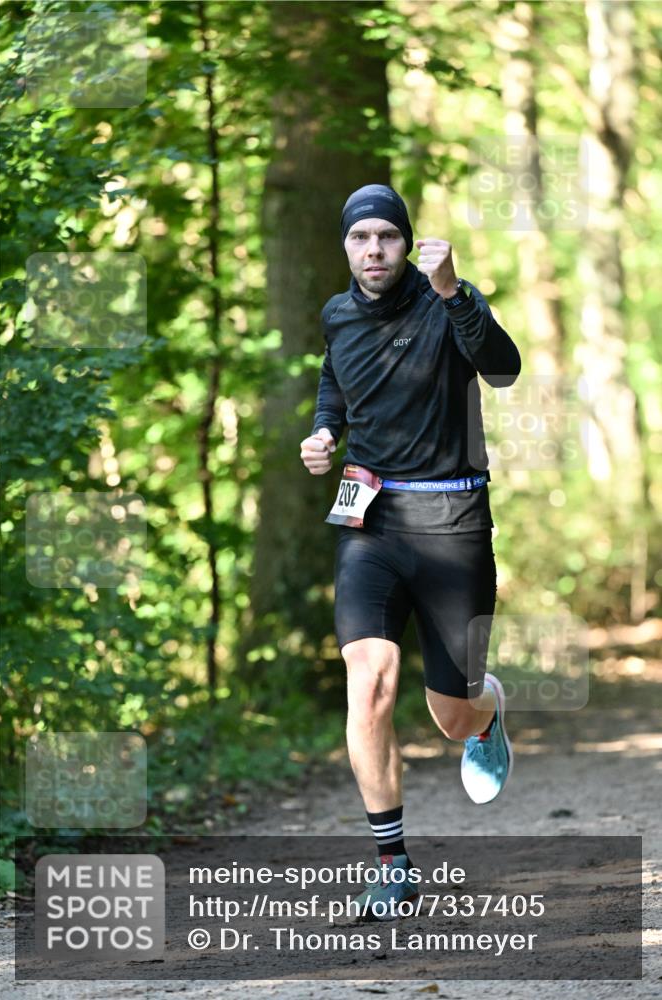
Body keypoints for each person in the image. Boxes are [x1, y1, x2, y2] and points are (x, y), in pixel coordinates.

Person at [300, 184, 521, 920]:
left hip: (455, 523)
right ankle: (391, 863)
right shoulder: (336, 314)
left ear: (407, 241)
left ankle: (485, 716)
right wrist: (324, 433)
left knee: (448, 714)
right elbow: (336, 382)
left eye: (386, 238)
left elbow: (502, 365)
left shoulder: (446, 302)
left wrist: (455, 291)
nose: (372, 251)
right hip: (373, 524)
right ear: (345, 246)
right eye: (359, 238)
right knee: (367, 679)